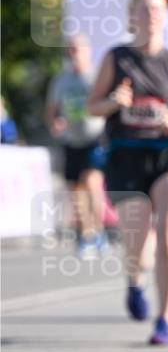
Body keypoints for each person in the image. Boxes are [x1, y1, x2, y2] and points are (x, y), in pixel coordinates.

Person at [88, 0, 168, 346]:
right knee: (138, 240)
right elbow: (91, 107)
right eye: (145, 8)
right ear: (132, 16)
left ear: (165, 16)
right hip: (127, 155)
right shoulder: (116, 58)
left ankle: (165, 320)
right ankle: (136, 281)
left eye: (158, 8)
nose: (153, 14)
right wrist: (112, 102)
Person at [44, 36, 107, 258]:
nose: (74, 53)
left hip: (95, 137)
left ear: (88, 51)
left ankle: (98, 229)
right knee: (76, 190)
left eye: (78, 48)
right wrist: (55, 123)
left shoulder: (97, 76)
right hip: (72, 140)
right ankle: (87, 234)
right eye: (70, 49)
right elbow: (52, 111)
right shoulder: (61, 81)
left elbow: (109, 105)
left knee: (92, 182)